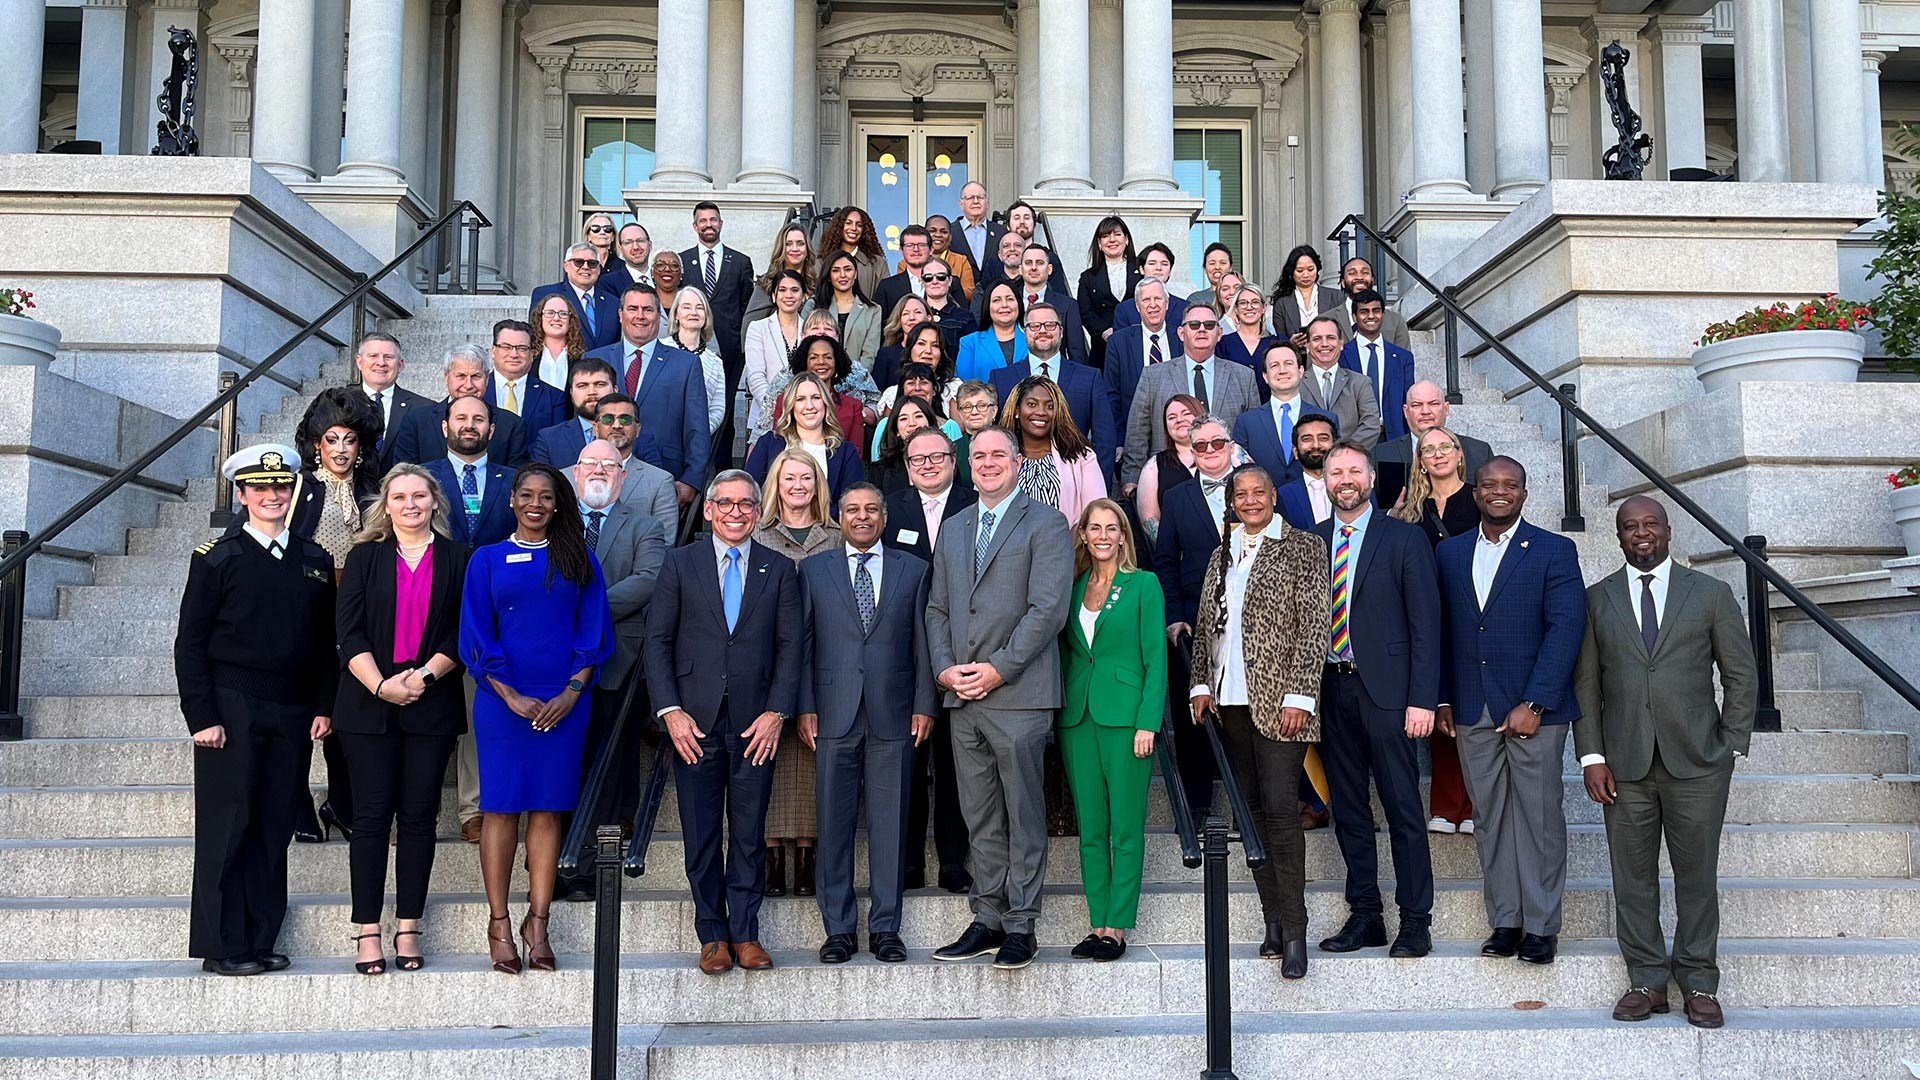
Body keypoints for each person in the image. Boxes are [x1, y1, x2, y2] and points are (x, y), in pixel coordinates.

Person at [1575, 497, 1757, 1030]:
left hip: (1698, 762)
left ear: (1668, 530)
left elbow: (1741, 675)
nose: (1641, 533)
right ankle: (1646, 981)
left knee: (1697, 876)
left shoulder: (1711, 594)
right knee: (1632, 879)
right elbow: (1586, 685)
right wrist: (1591, 755)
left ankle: (1699, 981)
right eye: (1629, 527)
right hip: (1623, 766)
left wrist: (1731, 743)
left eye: (1650, 524)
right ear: (1618, 536)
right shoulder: (1597, 599)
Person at [176, 444, 337, 976]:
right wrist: (202, 717)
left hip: (292, 708)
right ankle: (223, 946)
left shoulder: (314, 560)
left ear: (293, 493)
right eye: (260, 488)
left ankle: (261, 936)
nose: (272, 495)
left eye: (282, 487)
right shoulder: (216, 557)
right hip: (231, 704)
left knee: (272, 825)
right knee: (230, 825)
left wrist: (322, 704)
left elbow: (322, 643)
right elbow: (191, 644)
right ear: (242, 495)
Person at [925, 426, 1074, 972]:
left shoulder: (1046, 523)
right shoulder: (956, 526)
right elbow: (937, 609)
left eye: (998, 455)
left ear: (1017, 462)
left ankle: (1021, 923)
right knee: (979, 814)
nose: (987, 464)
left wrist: (996, 670)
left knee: (1022, 810)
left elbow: (1047, 611)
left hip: (1018, 693)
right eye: (979, 455)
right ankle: (986, 916)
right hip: (962, 697)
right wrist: (946, 671)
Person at [644, 470, 803, 975]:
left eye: (746, 505)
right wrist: (671, 712)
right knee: (702, 832)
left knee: (751, 832)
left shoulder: (779, 570)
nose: (736, 512)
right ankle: (711, 933)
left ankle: (746, 932)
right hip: (694, 721)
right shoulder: (679, 563)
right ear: (709, 509)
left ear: (759, 512)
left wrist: (778, 712)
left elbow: (790, 647)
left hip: (756, 722)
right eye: (726, 504)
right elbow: (658, 642)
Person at [459, 463, 613, 974]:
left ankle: (539, 923)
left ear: (558, 504)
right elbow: (477, 639)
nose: (535, 504)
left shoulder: (578, 559)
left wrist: (572, 692)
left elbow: (593, 635)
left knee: (548, 811)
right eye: (526, 494)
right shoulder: (487, 560)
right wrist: (511, 696)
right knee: (500, 809)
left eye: (546, 496)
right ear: (511, 501)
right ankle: (499, 923)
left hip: (565, 702)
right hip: (503, 703)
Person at [1434, 456, 1587, 966]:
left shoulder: (1554, 550)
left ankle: (1541, 926)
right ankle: (1506, 920)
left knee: (1540, 818)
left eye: (1510, 485)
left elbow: (1566, 629)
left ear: (1524, 492)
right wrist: (1444, 698)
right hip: (1473, 708)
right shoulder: (1450, 553)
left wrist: (1536, 701)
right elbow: (1445, 632)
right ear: (1474, 492)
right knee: (1491, 818)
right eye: (1490, 485)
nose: (1499, 492)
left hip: (1532, 712)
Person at [1187, 463, 1330, 978]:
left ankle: (1295, 929)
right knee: (1249, 812)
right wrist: (1200, 683)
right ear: (1231, 501)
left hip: (1282, 702)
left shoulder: (1304, 547)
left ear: (1274, 495)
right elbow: (1207, 624)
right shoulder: (1221, 551)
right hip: (1230, 701)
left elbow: (1316, 625)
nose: (1249, 501)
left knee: (1280, 810)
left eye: (1258, 492)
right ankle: (1271, 918)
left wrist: (1300, 696)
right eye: (1240, 494)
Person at [332, 463, 471, 975]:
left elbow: (462, 632)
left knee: (418, 818)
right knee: (370, 819)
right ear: (385, 507)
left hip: (430, 705)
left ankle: (408, 924)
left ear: (435, 501)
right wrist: (382, 685)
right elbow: (347, 633)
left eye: (419, 495)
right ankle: (368, 929)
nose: (410, 504)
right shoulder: (364, 557)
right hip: (367, 706)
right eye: (400, 497)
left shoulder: (460, 558)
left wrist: (423, 681)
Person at [1310, 440, 1442, 961]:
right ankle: (1365, 913)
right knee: (1348, 810)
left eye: (1353, 470)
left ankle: (1416, 921)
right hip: (1331, 689)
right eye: (1335, 471)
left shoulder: (1404, 539)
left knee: (1404, 809)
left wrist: (1422, 700)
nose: (1345, 478)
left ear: (1370, 478)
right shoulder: (1311, 542)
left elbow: (1425, 626)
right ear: (1324, 481)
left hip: (1388, 694)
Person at [794, 482, 936, 964]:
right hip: (832, 713)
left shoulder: (913, 570)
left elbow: (923, 644)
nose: (862, 517)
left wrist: (924, 704)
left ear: (884, 516)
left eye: (871, 509)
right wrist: (805, 706)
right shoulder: (813, 570)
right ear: (839, 516)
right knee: (833, 824)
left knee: (890, 823)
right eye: (852, 510)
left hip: (894, 713)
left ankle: (885, 928)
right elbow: (804, 645)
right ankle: (838, 929)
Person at [557, 440, 668, 901]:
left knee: (603, 771)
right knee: (559, 770)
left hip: (616, 665)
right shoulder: (555, 524)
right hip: (554, 665)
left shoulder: (646, 526)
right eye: (590, 464)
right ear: (575, 474)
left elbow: (647, 582)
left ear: (623, 477)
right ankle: (550, 868)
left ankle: (585, 871)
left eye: (610, 465)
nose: (600, 470)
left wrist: (580, 608)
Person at [1059, 498, 1167, 962]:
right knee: (1090, 829)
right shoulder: (1072, 586)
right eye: (1094, 527)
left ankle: (1117, 927)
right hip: (1077, 718)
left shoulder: (1143, 585)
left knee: (1124, 828)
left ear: (1123, 534)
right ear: (1083, 534)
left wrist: (1149, 722)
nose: (1103, 535)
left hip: (1126, 721)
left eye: (1112, 527)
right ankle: (1096, 921)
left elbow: (1155, 660)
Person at [282, 389, 382, 842]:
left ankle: (341, 802)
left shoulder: (373, 492)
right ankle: (297, 801)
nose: (340, 450)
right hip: (305, 614)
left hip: (357, 617)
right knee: (304, 713)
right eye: (331, 440)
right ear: (317, 444)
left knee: (347, 716)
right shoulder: (298, 488)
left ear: (361, 446)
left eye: (349, 440)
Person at [881, 428, 976, 892]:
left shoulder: (974, 504)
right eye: (917, 459)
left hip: (962, 648)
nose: (928, 465)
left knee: (956, 762)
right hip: (902, 649)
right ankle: (908, 862)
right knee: (908, 762)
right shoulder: (890, 507)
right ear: (906, 465)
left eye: (937, 456)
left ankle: (954, 862)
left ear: (953, 460)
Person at [743, 449, 839, 900]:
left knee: (811, 759)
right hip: (764, 657)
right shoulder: (756, 532)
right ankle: (771, 855)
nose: (797, 485)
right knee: (769, 756)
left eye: (806, 477)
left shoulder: (836, 535)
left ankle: (807, 856)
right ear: (775, 484)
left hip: (824, 655)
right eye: (788, 478)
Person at [1391, 425, 1480, 834]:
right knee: (1437, 698)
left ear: (1460, 454)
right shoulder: (1412, 508)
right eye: (1429, 450)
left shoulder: (1480, 499)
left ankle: (1475, 802)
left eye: (1446, 447)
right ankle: (1446, 805)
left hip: (1473, 610)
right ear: (1420, 461)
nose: (1439, 454)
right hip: (1425, 613)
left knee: (1471, 703)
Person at [584, 284, 712, 510]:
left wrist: (691, 481)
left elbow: (697, 427)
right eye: (633, 309)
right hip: (599, 478)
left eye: (648, 310)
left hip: (666, 480)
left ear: (659, 316)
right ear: (620, 314)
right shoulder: (594, 360)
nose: (640, 316)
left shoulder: (686, 364)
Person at [1121, 305, 1260, 490]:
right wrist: (1132, 481)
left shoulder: (1243, 376)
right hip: (1168, 480)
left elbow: (1252, 436)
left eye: (1209, 325)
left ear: (1219, 333)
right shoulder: (1152, 376)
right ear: (1181, 333)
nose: (1202, 329)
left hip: (1231, 483)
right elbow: (1137, 433)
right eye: (1194, 325)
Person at [988, 302, 1118, 480]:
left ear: (1061, 331)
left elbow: (1104, 438)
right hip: (1016, 483)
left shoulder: (1090, 378)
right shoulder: (1001, 379)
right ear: (1025, 333)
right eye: (1034, 326)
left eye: (1050, 325)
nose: (1042, 330)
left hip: (1075, 481)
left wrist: (1097, 486)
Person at [393, 344, 530, 468]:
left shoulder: (511, 424)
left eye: (476, 376)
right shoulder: (416, 421)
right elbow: (404, 475)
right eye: (461, 376)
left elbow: (517, 481)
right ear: (446, 376)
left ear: (487, 378)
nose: (468, 385)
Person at [1372, 381, 1494, 510]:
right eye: (1417, 405)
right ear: (1406, 412)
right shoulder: (1382, 454)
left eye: (1433, 404)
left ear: (1446, 408)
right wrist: (1392, 515)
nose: (1425, 411)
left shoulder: (1479, 451)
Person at [1003, 375, 1108, 524]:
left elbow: (1098, 513)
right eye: (1032, 404)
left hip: (1066, 544)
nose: (1041, 412)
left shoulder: (1081, 456)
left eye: (1050, 406)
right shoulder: (998, 456)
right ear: (1017, 410)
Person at [581, 391, 680, 538]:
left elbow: (664, 542)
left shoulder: (660, 482)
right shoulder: (568, 477)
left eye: (625, 419)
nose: (617, 425)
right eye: (608, 419)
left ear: (637, 429)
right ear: (595, 428)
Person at [1233, 343, 1332, 486]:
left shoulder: (1327, 419)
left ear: (1301, 371)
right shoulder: (1246, 422)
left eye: (1288, 363)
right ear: (1265, 376)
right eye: (1274, 365)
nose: (1282, 371)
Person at [764, 337, 874, 465]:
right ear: (804, 363)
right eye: (813, 357)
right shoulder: (785, 401)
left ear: (836, 363)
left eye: (828, 357)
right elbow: (779, 445)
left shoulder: (853, 406)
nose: (821, 362)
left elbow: (855, 454)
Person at [1101, 277, 1175, 450]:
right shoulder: (1119, 342)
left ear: (1167, 303)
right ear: (1137, 306)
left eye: (1157, 299)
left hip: (1178, 436)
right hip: (1134, 438)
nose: (1153, 305)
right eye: (1146, 300)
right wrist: (1119, 441)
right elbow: (1112, 394)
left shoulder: (1182, 337)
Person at [1340, 290, 1417, 440]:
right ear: (1354, 316)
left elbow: (1408, 400)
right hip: (1354, 438)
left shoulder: (1402, 357)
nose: (1370, 316)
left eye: (1376, 311)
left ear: (1383, 315)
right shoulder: (1341, 355)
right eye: (1364, 312)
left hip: (1393, 437)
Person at [745, 268, 810, 440]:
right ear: (774, 296)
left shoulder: (811, 330)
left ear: (804, 297)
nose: (788, 295)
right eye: (782, 290)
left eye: (795, 290)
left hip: (805, 419)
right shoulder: (758, 328)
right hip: (766, 419)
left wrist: (798, 412)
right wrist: (778, 410)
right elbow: (756, 376)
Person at [1299, 315, 1382, 450]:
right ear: (1307, 346)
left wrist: (1343, 452)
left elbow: (1371, 425)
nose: (1324, 344)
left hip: (1349, 463)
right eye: (1317, 339)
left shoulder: (1360, 383)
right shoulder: (1296, 384)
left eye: (1331, 338)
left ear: (1341, 344)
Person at [353, 333, 430, 469]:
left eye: (388, 357)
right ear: (359, 362)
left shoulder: (424, 409)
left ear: (400, 365)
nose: (381, 363)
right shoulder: (338, 403)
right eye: (373, 356)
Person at [1134, 393, 1204, 542]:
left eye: (1186, 413)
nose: (1179, 420)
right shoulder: (1154, 467)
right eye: (1171, 417)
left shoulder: (1229, 453)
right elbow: (1149, 521)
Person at [529, 357, 622, 467]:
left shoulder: (636, 436)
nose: (592, 392)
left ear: (615, 390)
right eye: (582, 386)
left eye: (600, 384)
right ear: (572, 393)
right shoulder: (549, 440)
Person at [529, 243, 622, 352]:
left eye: (592, 263)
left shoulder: (613, 302)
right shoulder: (545, 294)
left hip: (604, 367)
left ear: (598, 270)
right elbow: (536, 337)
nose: (585, 267)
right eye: (579, 262)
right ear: (566, 266)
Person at [1005, 243, 1087, 366]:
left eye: (1039, 263)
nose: (1033, 268)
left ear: (1049, 269)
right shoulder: (1007, 303)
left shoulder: (1068, 305)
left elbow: (1077, 354)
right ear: (1020, 269)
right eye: (1028, 263)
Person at [668, 286, 733, 440]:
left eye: (700, 308)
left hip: (699, 442)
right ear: (676, 314)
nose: (694, 312)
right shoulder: (660, 350)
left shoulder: (715, 361)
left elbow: (717, 408)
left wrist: (699, 432)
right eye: (686, 307)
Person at [1076, 215, 1139, 370]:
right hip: (1102, 348)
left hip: (1137, 342)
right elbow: (1085, 311)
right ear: (1099, 243)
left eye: (1117, 234)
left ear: (1127, 240)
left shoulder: (1141, 271)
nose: (1112, 240)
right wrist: (1105, 331)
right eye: (1105, 236)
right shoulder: (1088, 277)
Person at [485, 319, 570, 433]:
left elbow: (556, 441)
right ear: (493, 351)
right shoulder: (477, 391)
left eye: (522, 348)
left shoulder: (553, 397)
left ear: (532, 354)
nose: (514, 354)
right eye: (506, 347)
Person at [804, 250, 883, 370]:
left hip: (856, 381)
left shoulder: (873, 310)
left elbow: (869, 355)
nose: (842, 275)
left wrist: (853, 379)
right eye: (836, 270)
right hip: (817, 376)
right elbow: (803, 346)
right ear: (829, 276)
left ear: (856, 274)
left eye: (848, 269)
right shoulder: (813, 305)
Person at [1271, 244, 1350, 350]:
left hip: (1331, 354)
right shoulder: (1282, 303)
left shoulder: (1336, 297)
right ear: (1291, 272)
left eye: (1310, 269)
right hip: (1298, 358)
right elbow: (1280, 338)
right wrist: (1291, 343)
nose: (1306, 275)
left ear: (1317, 269)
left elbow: (1345, 332)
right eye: (1300, 271)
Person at [742, 223, 814, 329]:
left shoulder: (815, 283)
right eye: (788, 244)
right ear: (781, 248)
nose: (795, 249)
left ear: (807, 249)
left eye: (800, 243)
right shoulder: (767, 283)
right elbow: (749, 325)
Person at [870, 394, 942, 496]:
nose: (912, 423)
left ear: (930, 423)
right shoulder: (879, 471)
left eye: (918, 416)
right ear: (896, 431)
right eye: (903, 419)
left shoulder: (945, 462)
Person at [955, 280, 1027, 383]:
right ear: (987, 306)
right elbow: (965, 386)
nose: (1004, 305)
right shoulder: (970, 343)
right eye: (996, 300)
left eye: (1010, 299)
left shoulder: (1032, 339)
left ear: (1019, 304)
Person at [1277, 413, 1339, 530]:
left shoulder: (1355, 488)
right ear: (1295, 451)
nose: (1316, 445)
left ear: (1335, 447)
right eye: (1307, 439)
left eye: (1323, 438)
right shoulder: (1283, 496)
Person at [1111, 243, 1190, 331]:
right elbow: (1120, 343)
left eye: (1164, 264)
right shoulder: (1124, 310)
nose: (1158, 268)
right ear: (1141, 269)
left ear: (1170, 270)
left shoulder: (1185, 308)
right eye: (1152, 263)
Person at [815, 205, 887, 299]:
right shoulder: (822, 262)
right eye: (848, 223)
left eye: (859, 225)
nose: (853, 228)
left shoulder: (877, 263)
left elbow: (885, 299)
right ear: (839, 227)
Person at [1338, 256, 1410, 348]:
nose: (1359, 277)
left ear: (1372, 280)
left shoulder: (1395, 321)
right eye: (1352, 273)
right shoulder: (1328, 319)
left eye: (1365, 273)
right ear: (1343, 283)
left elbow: (1403, 359)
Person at [873, 294, 934, 396]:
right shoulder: (886, 354)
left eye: (917, 312)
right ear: (899, 320)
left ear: (929, 317)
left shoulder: (936, 350)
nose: (911, 318)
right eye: (905, 314)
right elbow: (877, 393)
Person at [1004, 199, 1070, 293]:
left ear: (1034, 224)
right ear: (1008, 226)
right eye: (1017, 218)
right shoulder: (997, 261)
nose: (1022, 222)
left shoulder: (1050, 258)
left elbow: (1059, 297)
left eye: (1027, 218)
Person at [1216, 283, 1277, 383]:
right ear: (1236, 309)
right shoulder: (1222, 344)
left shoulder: (1277, 342)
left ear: (1264, 308)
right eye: (1243, 303)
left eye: (1255, 302)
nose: (1249, 307)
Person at [874, 223, 936, 319]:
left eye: (922, 245)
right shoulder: (887, 287)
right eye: (910, 245)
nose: (916, 249)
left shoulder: (947, 283)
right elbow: (879, 324)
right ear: (901, 250)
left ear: (931, 249)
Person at [951, 181, 1009, 281]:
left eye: (980, 197)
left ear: (987, 202)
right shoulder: (950, 232)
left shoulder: (1001, 232)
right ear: (961, 204)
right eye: (970, 198)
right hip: (960, 293)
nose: (976, 201)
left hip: (994, 292)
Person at [921, 250, 979, 347]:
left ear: (950, 281)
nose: (934, 281)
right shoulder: (914, 315)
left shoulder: (966, 317)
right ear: (922, 282)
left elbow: (973, 352)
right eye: (928, 278)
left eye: (941, 277)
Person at [530, 292, 587, 390]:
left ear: (570, 320)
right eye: (550, 313)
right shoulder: (528, 355)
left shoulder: (582, 357)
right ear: (540, 317)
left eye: (563, 314)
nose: (556, 318)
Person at [950, 379, 998, 489]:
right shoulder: (951, 449)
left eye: (981, 405)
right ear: (960, 414)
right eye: (967, 407)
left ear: (994, 411)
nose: (974, 412)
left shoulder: (1009, 445)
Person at [925, 213, 978, 303]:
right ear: (924, 235)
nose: (938, 235)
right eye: (932, 231)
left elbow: (970, 292)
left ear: (950, 237)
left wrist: (942, 289)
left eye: (944, 232)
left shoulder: (961, 261)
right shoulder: (909, 263)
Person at [600, 221, 654, 298]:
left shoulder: (662, 279)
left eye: (640, 241)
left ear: (650, 245)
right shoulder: (608, 283)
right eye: (628, 243)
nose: (635, 247)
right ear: (621, 249)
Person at [1186, 242, 1237, 308]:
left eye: (1223, 263)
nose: (1217, 267)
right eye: (1212, 263)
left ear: (1230, 268)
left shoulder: (1242, 295)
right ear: (1205, 269)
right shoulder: (1196, 299)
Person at [651, 249, 684, 316]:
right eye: (660, 265)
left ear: (681, 273)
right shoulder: (645, 300)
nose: (667, 269)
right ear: (652, 272)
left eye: (674, 265)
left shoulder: (690, 301)